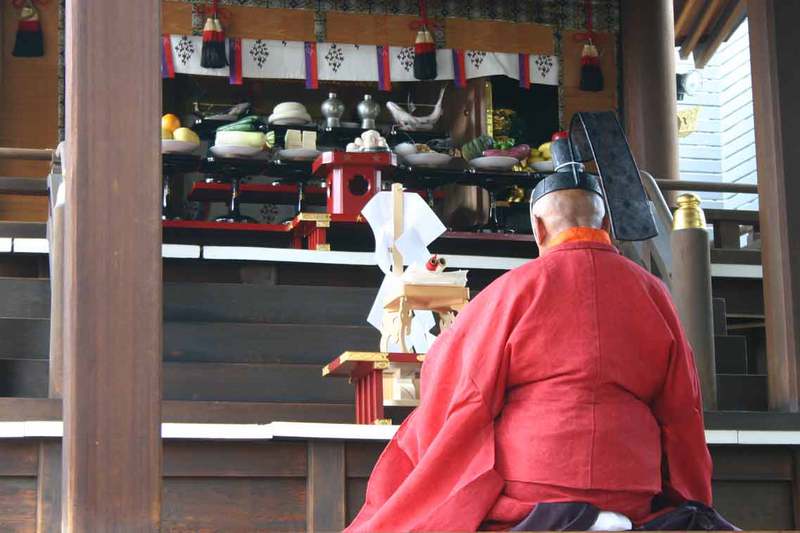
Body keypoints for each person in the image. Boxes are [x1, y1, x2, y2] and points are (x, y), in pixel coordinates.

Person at [345, 168, 737, 531]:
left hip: (536, 486)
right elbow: (682, 408)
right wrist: (693, 496)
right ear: (604, 224)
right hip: (631, 486)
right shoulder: (654, 293)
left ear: (538, 227)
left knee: (446, 476)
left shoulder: (514, 289)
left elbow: (463, 391)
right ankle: (605, 515)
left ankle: (567, 515)